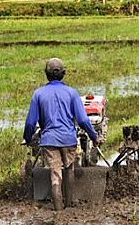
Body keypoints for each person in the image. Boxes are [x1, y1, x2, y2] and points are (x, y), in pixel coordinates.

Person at [23, 58, 102, 211]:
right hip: (69, 139)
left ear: (46, 74)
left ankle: (58, 211)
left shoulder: (38, 94)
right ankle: (69, 204)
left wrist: (28, 139)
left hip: (49, 140)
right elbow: (83, 120)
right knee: (69, 169)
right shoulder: (72, 93)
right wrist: (94, 137)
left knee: (55, 174)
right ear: (64, 74)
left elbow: (30, 123)